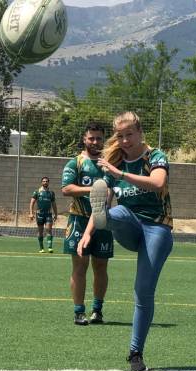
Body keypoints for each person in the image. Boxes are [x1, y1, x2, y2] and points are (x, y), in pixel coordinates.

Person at [81, 111, 173, 371]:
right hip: (128, 224)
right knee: (114, 213)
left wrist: (120, 174)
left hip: (157, 229)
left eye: (129, 134)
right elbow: (103, 197)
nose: (124, 140)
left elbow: (158, 183)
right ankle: (105, 223)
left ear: (140, 132)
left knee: (143, 292)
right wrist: (89, 232)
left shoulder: (154, 156)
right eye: (119, 136)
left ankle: (136, 353)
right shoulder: (115, 159)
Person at [61, 122, 114, 326]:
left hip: (102, 220)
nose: (95, 141)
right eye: (91, 138)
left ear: (104, 139)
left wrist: (104, 201)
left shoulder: (108, 164)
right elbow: (66, 189)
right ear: (84, 139)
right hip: (78, 220)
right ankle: (78, 312)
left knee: (101, 265)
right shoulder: (75, 163)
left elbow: (110, 191)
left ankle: (97, 310)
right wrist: (93, 189)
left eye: (99, 138)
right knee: (79, 265)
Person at [29, 176, 58, 253]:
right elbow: (32, 202)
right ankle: (41, 248)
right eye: (44, 181)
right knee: (40, 231)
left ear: (48, 182)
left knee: (48, 229)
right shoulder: (37, 192)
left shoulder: (51, 193)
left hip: (48, 214)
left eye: (46, 181)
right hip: (39, 214)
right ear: (41, 182)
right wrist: (31, 213)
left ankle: (50, 247)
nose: (45, 182)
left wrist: (56, 214)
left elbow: (54, 204)